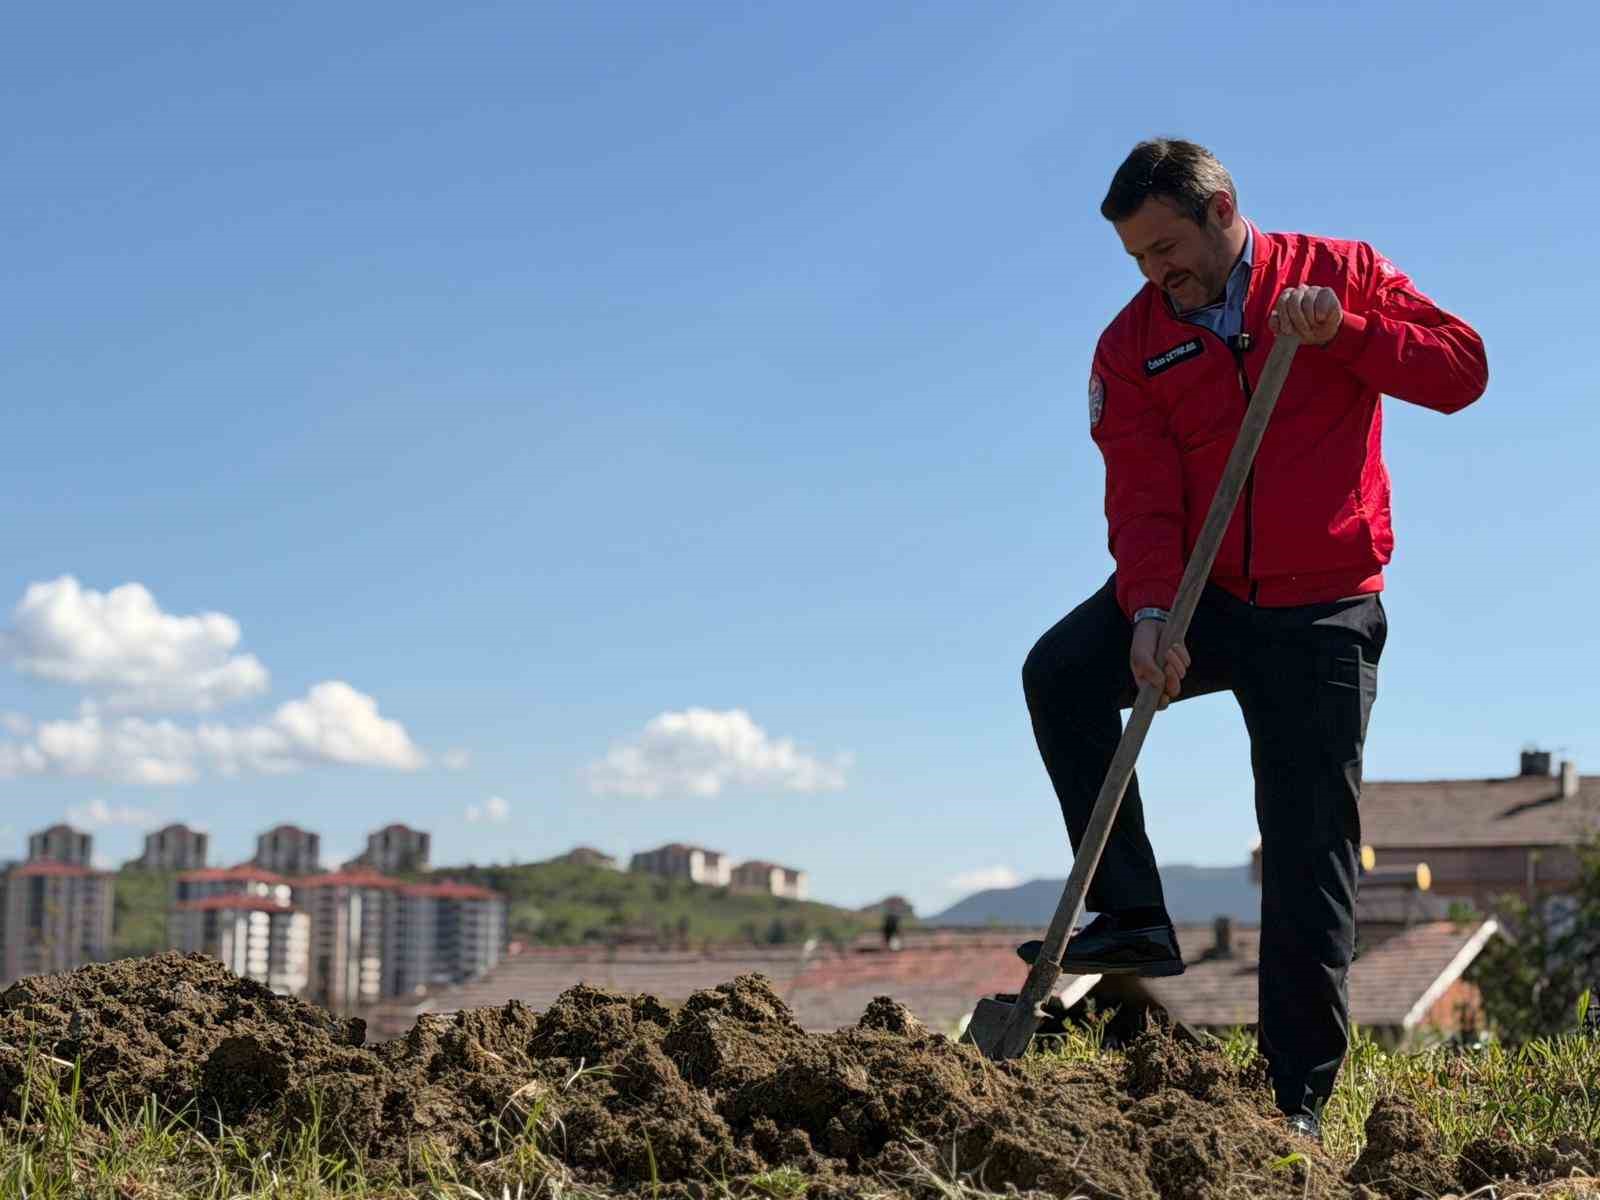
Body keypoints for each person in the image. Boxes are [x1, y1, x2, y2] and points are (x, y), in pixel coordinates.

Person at [1019, 139, 1487, 1139]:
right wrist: (1150, 612)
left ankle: (1296, 1102)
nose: (1157, 272)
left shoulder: (1339, 273)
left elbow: (1460, 372)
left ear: (1221, 206)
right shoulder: (1133, 343)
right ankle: (1132, 915)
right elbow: (1139, 494)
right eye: (1138, 258)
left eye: (1167, 247)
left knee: (1306, 844)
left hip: (1322, 605)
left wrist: (1347, 332)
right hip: (1205, 593)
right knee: (1060, 672)